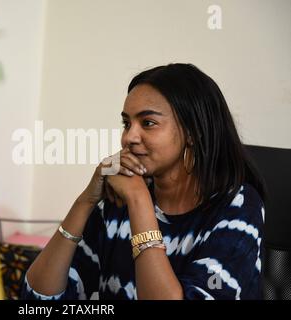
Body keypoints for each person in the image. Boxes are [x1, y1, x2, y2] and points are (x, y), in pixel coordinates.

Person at [21, 63, 265, 300]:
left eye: (148, 123)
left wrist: (140, 202)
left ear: (192, 132)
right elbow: (38, 301)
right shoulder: (117, 202)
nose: (129, 137)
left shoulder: (238, 207)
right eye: (127, 123)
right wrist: (85, 201)